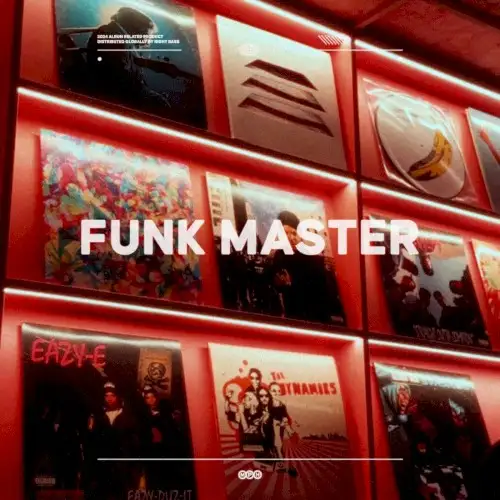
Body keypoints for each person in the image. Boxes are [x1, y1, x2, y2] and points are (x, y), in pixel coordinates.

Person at [86, 7, 172, 115]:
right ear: (139, 28)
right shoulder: (112, 37)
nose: (148, 42)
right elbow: (120, 80)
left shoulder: (117, 34)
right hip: (116, 98)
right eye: (149, 35)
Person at [271, 210, 342, 323]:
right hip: (293, 316)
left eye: (294, 233)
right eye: (285, 234)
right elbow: (277, 284)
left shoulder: (313, 258)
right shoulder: (279, 256)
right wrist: (279, 283)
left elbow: (327, 294)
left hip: (316, 318)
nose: (290, 238)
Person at [83, 382, 141, 499]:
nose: (109, 398)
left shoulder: (127, 416)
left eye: (112, 395)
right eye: (106, 396)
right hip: (104, 464)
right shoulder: (98, 416)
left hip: (122, 463)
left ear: (118, 397)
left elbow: (134, 441)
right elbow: (92, 440)